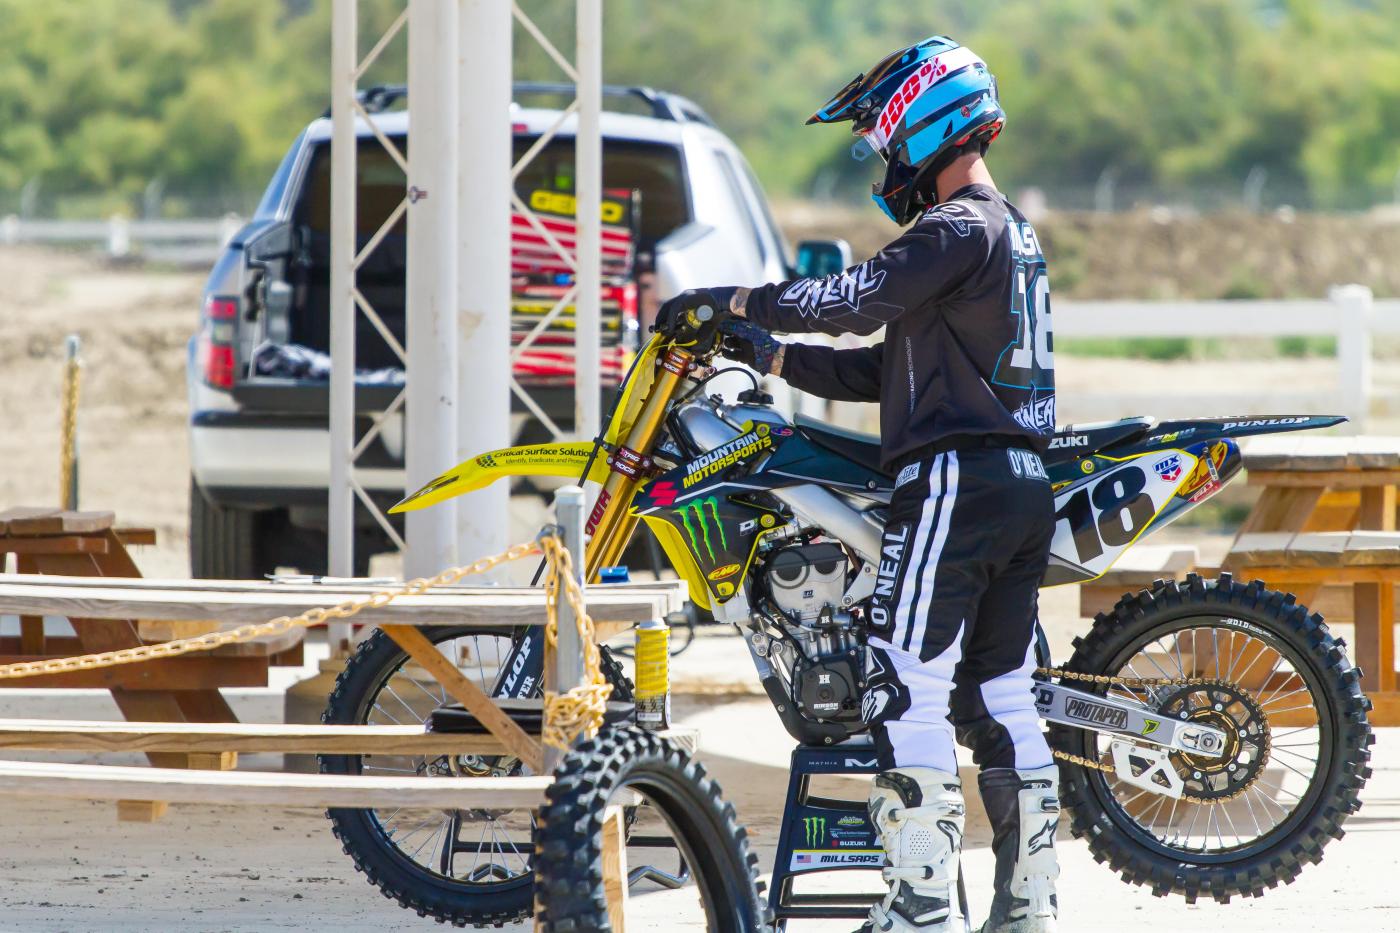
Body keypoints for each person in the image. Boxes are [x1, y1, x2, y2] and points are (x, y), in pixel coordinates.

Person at [654, 35, 1060, 933]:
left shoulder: (953, 228)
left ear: (925, 120)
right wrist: (773, 354)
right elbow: (889, 367)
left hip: (953, 480)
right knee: (998, 696)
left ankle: (921, 910)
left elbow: (853, 298)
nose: (884, 156)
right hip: (1018, 481)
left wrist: (736, 302)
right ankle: (1028, 910)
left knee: (905, 685)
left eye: (885, 137)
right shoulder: (1009, 236)